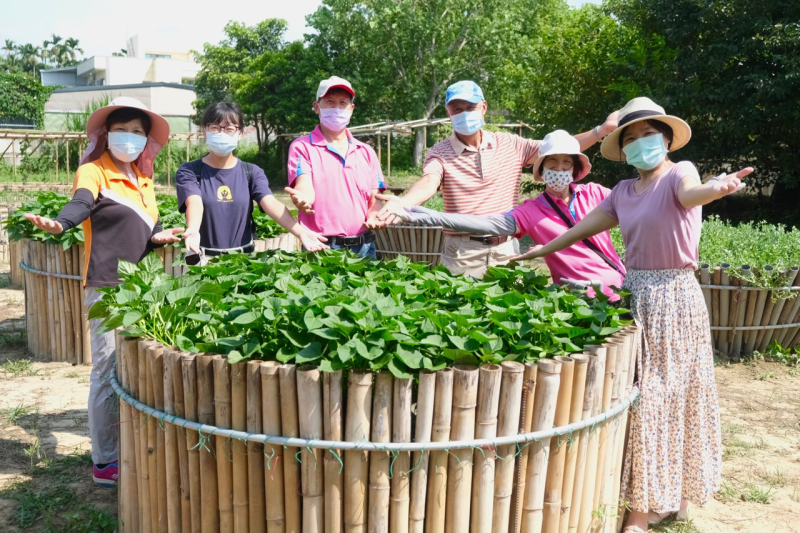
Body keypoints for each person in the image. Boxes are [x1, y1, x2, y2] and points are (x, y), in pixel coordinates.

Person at [510, 97, 753, 531]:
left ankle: (650, 509)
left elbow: (691, 194)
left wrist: (717, 189)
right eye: (633, 137)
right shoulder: (623, 191)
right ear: (623, 149)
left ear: (665, 138)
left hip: (676, 295)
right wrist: (544, 249)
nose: (642, 143)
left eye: (649, 134)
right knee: (653, 394)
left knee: (669, 395)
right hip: (638, 293)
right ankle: (667, 498)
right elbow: (581, 229)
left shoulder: (681, 172)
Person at [23, 97, 184, 487]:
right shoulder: (93, 171)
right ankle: (105, 460)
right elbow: (79, 205)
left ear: (146, 140)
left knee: (134, 366)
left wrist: (159, 237)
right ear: (106, 134)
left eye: (137, 133)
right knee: (106, 369)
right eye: (122, 130)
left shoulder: (143, 180)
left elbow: (148, 229)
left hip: (143, 287)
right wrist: (60, 225)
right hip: (107, 286)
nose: (129, 138)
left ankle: (127, 443)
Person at [376, 80, 619, 278]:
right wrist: (404, 203)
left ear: (483, 107)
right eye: (456, 109)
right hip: (461, 251)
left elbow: (559, 150)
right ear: (448, 112)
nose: (463, 114)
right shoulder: (439, 152)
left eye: (469, 108)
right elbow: (429, 181)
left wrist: (601, 132)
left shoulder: (510, 143)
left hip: (506, 249)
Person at [380, 129, 625, 298]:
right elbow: (485, 224)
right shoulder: (531, 210)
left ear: (575, 168)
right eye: (552, 163)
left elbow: (636, 212)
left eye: (566, 164)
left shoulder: (596, 193)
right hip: (577, 296)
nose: (559, 170)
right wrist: (414, 211)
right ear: (541, 168)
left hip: (620, 287)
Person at [177, 102, 327, 264]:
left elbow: (270, 203)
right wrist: (192, 230)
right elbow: (195, 202)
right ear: (205, 131)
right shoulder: (190, 171)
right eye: (214, 128)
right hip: (204, 259)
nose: (221, 133)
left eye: (229, 129)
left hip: (244, 261)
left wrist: (300, 232)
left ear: (240, 133)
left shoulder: (251, 172)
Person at [285, 76, 385, 258]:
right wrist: (303, 199)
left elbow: (374, 199)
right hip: (322, 248)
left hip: (364, 247)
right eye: (329, 102)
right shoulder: (302, 147)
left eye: (343, 103)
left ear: (351, 109)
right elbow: (304, 185)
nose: (337, 108)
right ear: (316, 107)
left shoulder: (366, 151)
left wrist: (374, 215)